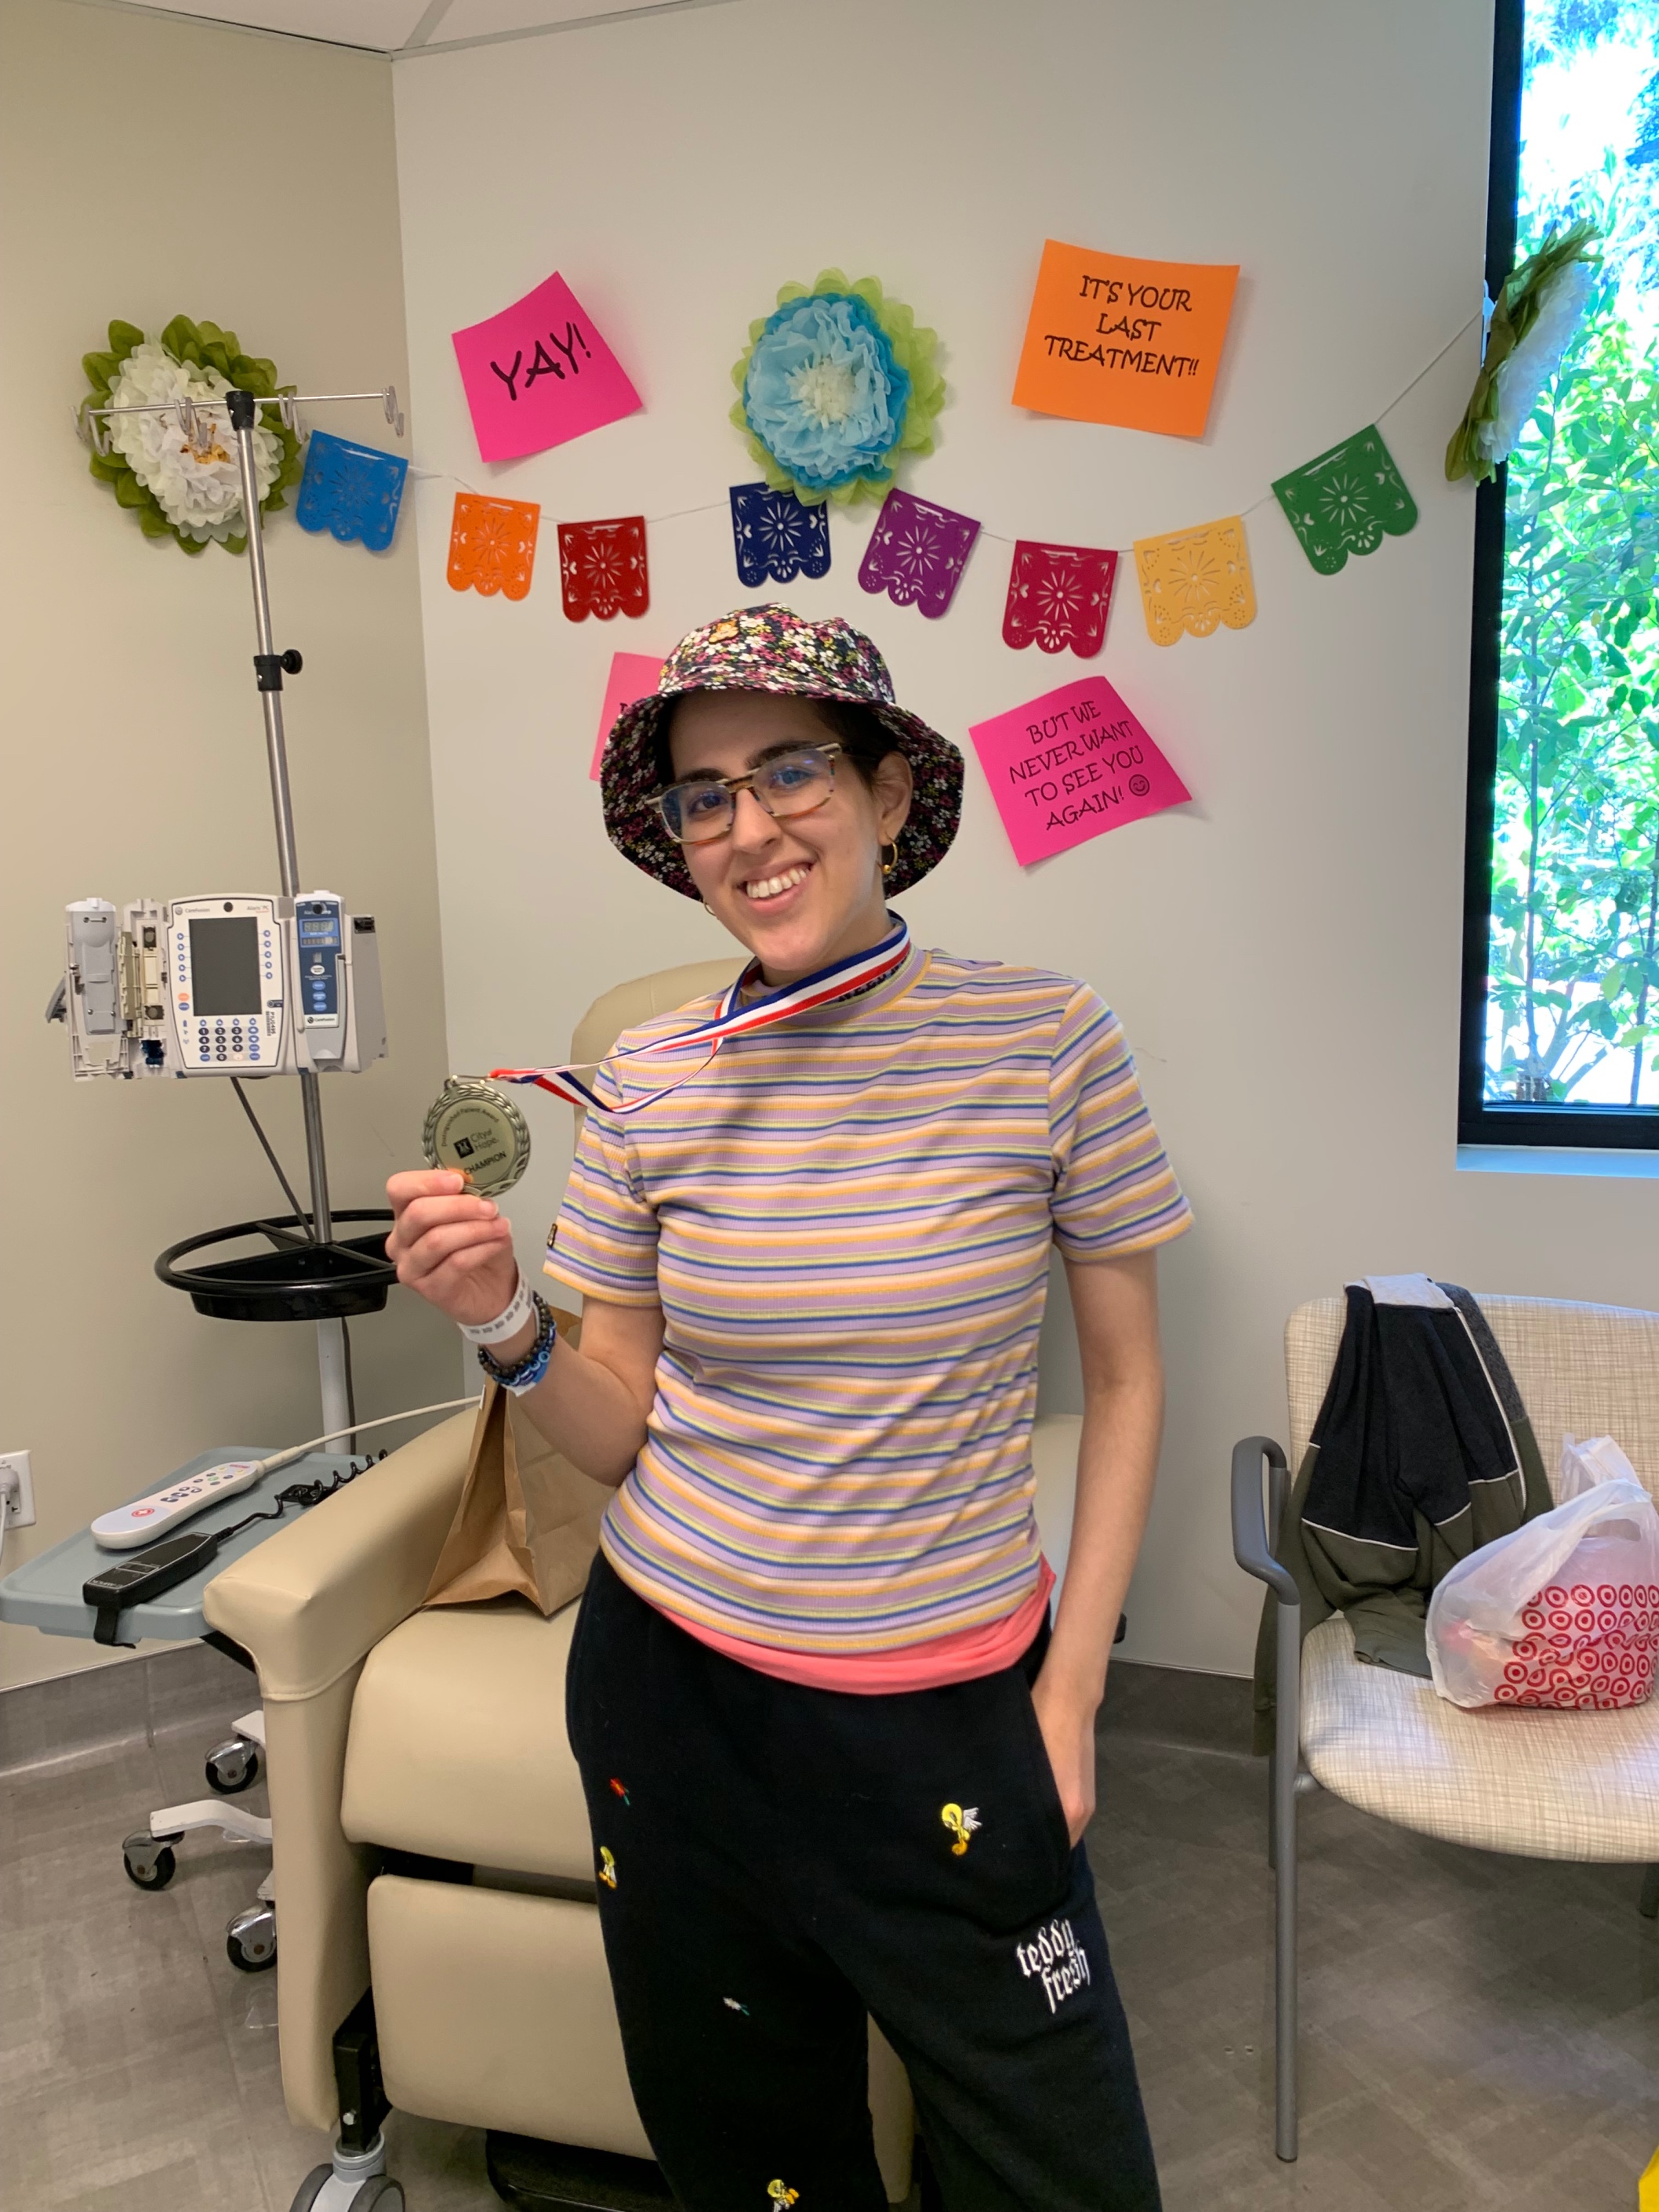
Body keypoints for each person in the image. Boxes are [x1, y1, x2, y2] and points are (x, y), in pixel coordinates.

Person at [386, 604, 1191, 2212]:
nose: (747, 827)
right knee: (755, 2165)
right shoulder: (650, 1083)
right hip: (676, 1703)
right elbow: (612, 1422)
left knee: (1060, 2171)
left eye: (789, 770)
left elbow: (1123, 1379)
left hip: (953, 1709)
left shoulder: (1047, 1040)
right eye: (701, 795)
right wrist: (503, 1322)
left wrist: (1071, 1691)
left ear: (891, 793)